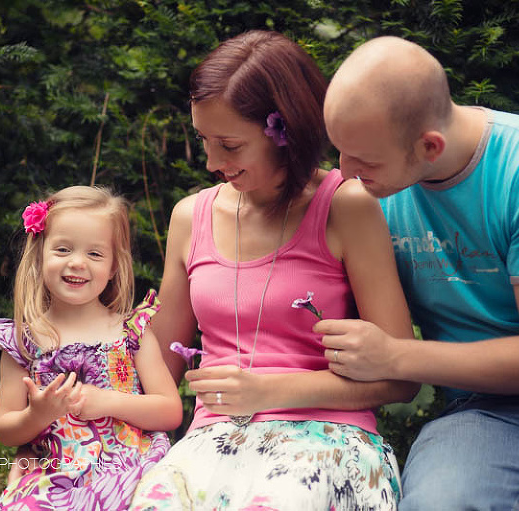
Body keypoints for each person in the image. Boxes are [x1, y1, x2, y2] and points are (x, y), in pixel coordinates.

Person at [129, 30, 419, 510]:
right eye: (203, 140)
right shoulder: (190, 218)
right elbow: (157, 368)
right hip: (212, 444)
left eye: (229, 145)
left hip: (326, 443)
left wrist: (271, 389)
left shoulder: (346, 207)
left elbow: (402, 376)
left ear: (284, 132)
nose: (211, 162)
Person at [321, 35, 519, 509]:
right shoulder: (366, 197)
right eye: (340, 152)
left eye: (365, 161)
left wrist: (394, 357)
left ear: (430, 146)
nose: (345, 174)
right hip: (481, 410)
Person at [0, 185, 182, 510]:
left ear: (114, 266)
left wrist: (108, 402)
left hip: (131, 464)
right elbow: (6, 430)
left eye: (95, 254)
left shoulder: (130, 331)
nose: (77, 263)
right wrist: (37, 415)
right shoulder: (24, 341)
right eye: (62, 250)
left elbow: (170, 411)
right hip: (58, 472)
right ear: (40, 254)